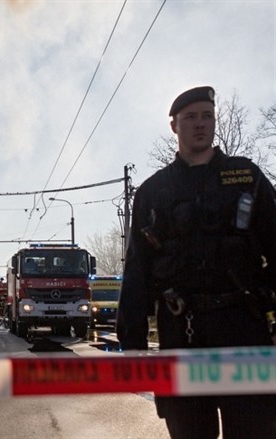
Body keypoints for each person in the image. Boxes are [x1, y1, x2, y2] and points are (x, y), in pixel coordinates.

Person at [116, 86, 276, 439]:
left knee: (256, 429)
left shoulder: (245, 177)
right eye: (191, 117)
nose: (200, 124)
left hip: (243, 330)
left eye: (207, 116)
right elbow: (137, 270)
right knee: (189, 432)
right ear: (174, 126)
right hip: (181, 332)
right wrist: (134, 344)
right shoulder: (153, 191)